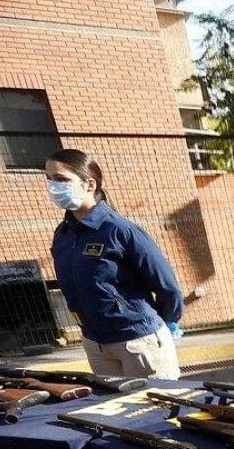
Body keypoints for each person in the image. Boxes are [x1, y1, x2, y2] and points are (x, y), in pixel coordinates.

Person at [45, 149, 185, 380]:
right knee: (112, 404)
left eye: (61, 179)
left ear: (89, 185)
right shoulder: (63, 234)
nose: (53, 186)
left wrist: (164, 321)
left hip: (138, 341)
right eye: (49, 179)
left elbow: (167, 286)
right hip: (96, 344)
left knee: (153, 402)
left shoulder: (119, 229)